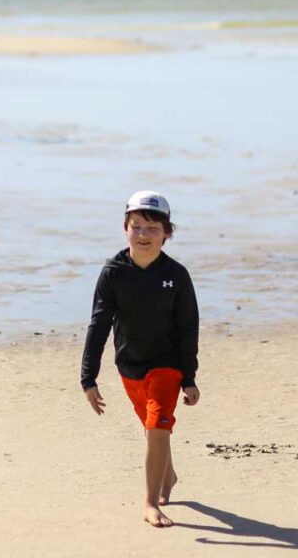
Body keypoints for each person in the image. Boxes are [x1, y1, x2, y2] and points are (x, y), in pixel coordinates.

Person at [81, 190, 201, 528]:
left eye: (152, 228)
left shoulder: (177, 276)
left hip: (168, 364)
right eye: (136, 227)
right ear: (125, 229)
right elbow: (99, 324)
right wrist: (88, 377)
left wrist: (189, 377)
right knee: (153, 429)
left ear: (167, 232)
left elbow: (188, 328)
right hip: (129, 364)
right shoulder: (113, 273)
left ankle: (150, 504)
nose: (144, 235)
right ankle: (168, 473)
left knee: (157, 426)